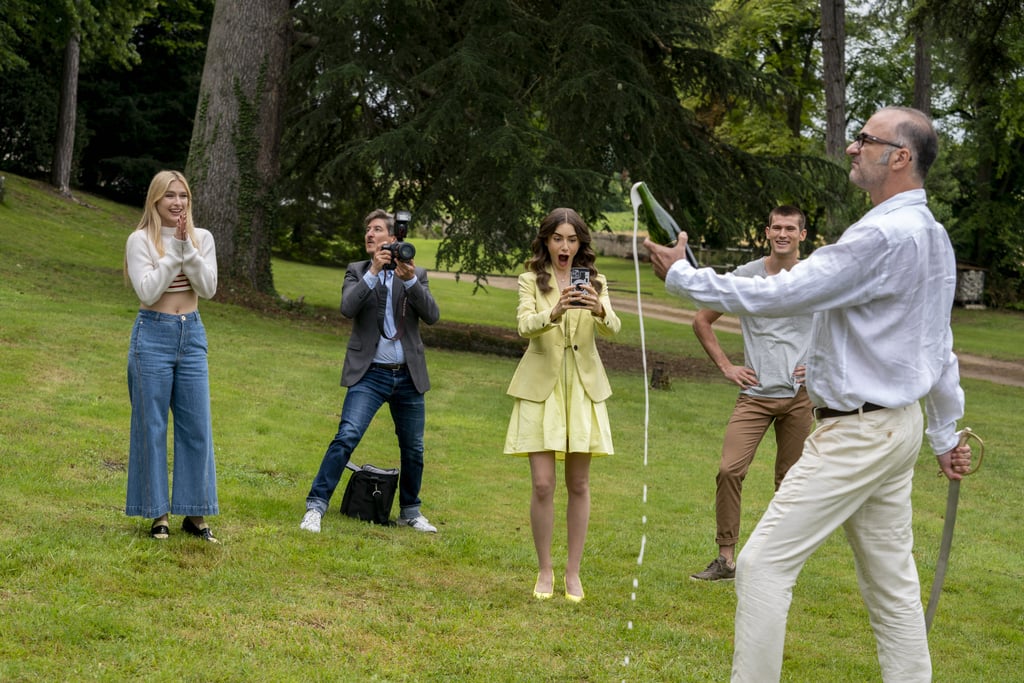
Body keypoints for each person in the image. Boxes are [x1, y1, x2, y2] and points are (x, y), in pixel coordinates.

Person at [644, 106, 974, 681]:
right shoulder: (932, 235)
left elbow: (784, 292)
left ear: (900, 157)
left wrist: (682, 277)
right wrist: (943, 434)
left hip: (860, 433)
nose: (852, 147)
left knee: (762, 564)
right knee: (893, 587)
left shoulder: (882, 235)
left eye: (865, 139)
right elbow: (938, 346)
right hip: (896, 429)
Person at [689, 205, 814, 582]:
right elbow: (702, 320)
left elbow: (844, 324)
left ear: (802, 235)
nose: (782, 234)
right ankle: (726, 559)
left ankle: (776, 563)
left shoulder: (814, 277)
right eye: (776, 227)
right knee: (729, 470)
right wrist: (727, 366)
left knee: (789, 481)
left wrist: (822, 364)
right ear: (767, 232)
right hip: (755, 395)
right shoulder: (747, 276)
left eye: (790, 229)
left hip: (800, 396)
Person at [504, 208, 622, 602]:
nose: (565, 246)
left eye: (572, 239)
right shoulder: (529, 281)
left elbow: (615, 328)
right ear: (546, 242)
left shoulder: (596, 282)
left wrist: (599, 308)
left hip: (583, 388)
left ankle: (573, 573)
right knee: (542, 484)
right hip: (542, 387)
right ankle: (544, 570)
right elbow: (523, 326)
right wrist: (552, 313)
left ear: (580, 244)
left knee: (579, 484)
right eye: (558, 238)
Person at [300, 209, 441, 534]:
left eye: (376, 229)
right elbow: (348, 308)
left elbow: (432, 315)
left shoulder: (415, 274)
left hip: (407, 375)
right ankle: (315, 507)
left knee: (414, 447)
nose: (369, 234)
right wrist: (374, 271)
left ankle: (410, 511)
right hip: (370, 374)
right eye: (367, 230)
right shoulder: (357, 271)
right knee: (347, 435)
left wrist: (407, 280)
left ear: (393, 239)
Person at [124, 170, 220, 543]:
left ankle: (196, 516)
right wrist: (173, 253)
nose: (178, 203)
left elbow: (208, 288)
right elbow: (148, 291)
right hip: (152, 334)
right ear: (155, 201)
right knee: (151, 427)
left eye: (183, 196)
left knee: (197, 426)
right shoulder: (139, 240)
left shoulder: (203, 238)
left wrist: (187, 249)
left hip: (191, 334)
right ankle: (157, 515)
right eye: (170, 196)